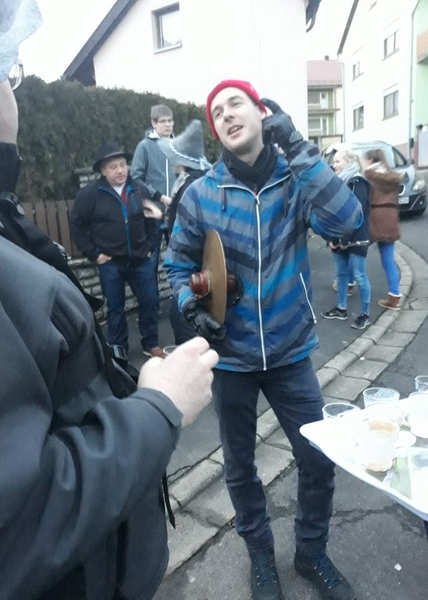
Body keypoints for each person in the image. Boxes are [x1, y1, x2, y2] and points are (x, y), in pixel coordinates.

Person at [0, 5, 219, 599]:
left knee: (141, 313)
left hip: (106, 569)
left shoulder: (131, 190)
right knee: (116, 316)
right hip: (82, 580)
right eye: (8, 69)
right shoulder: (92, 196)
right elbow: (22, 520)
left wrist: (147, 236)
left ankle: (138, 350)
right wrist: (158, 405)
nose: (13, 89)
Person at [164, 79, 363, 600]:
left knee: (318, 458)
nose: (227, 115)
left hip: (290, 350)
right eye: (217, 112)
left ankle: (311, 552)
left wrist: (298, 146)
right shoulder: (202, 194)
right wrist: (190, 306)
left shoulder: (295, 180)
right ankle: (259, 555)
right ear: (216, 131)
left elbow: (348, 220)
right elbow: (177, 264)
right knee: (239, 467)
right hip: (231, 358)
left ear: (262, 112)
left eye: (237, 104)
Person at [70, 143, 165, 359]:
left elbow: (153, 219)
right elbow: (77, 225)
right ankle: (118, 349)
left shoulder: (139, 189)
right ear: (103, 170)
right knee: (115, 308)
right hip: (111, 262)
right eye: (113, 167)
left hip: (141, 260)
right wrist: (93, 253)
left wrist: (150, 246)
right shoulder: (90, 194)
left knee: (150, 301)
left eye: (122, 165)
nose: (120, 170)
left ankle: (151, 343)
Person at [157, 118, 211, 344]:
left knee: (184, 321)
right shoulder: (192, 180)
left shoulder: (191, 186)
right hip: (196, 266)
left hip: (194, 268)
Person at [322, 149, 372, 330]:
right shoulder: (338, 183)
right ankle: (341, 308)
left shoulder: (358, 182)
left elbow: (355, 215)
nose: (333, 165)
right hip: (339, 237)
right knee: (341, 274)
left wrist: (342, 239)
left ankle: (365, 315)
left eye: (338, 161)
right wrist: (331, 237)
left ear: (349, 162)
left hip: (356, 237)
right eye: (334, 161)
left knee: (359, 275)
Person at [131, 103, 176, 273]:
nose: (167, 125)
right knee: (150, 263)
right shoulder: (144, 146)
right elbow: (136, 178)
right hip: (153, 214)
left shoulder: (178, 146)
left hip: (175, 214)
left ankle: (179, 291)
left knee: (179, 261)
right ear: (154, 123)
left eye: (170, 121)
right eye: (163, 121)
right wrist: (159, 196)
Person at [363, 148, 404, 311]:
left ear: (370, 161)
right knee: (388, 259)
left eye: (365, 160)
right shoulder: (392, 177)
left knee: (356, 251)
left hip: (373, 217)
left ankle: (348, 284)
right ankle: (394, 296)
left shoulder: (368, 176)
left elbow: (364, 199)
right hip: (390, 217)